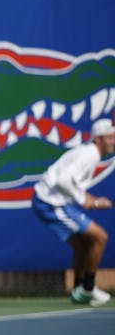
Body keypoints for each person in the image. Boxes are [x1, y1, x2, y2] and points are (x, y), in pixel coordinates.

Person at [32, 118, 115, 306]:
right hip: (49, 203)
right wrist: (85, 200)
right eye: (110, 137)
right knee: (100, 238)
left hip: (50, 201)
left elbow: (73, 185)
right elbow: (63, 180)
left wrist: (93, 201)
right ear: (98, 139)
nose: (113, 141)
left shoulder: (89, 153)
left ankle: (78, 289)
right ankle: (87, 288)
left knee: (84, 245)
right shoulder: (90, 155)